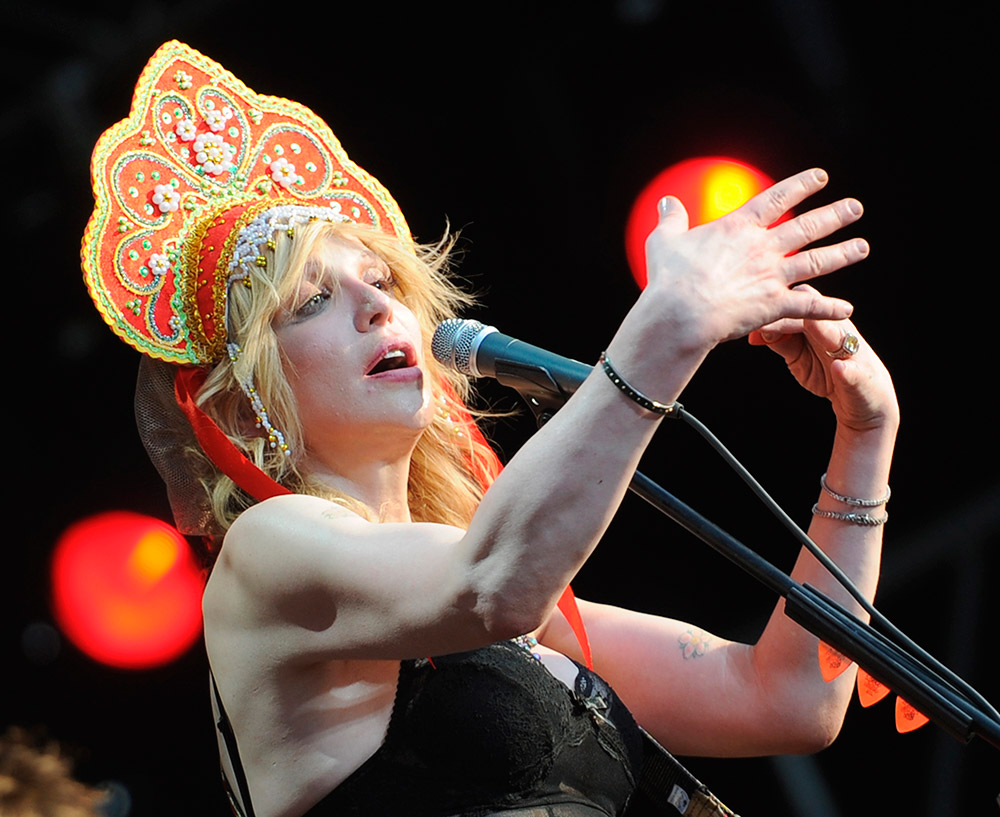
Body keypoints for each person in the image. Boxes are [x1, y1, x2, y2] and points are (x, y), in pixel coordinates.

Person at [83, 42, 897, 817]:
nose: (377, 305)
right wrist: (668, 327)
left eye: (379, 279)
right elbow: (493, 582)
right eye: (311, 301)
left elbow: (787, 698)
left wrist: (866, 435)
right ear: (238, 408)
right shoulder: (271, 552)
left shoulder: (507, 604)